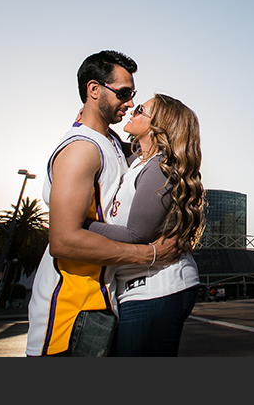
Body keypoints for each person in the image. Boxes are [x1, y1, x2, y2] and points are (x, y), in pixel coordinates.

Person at [26, 51, 179, 357]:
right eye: (122, 94)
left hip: (100, 300)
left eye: (131, 95)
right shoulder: (81, 149)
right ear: (94, 90)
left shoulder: (109, 143)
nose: (128, 103)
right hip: (69, 314)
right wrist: (147, 254)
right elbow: (64, 241)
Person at [86, 93, 205, 357]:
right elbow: (110, 141)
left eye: (141, 109)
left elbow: (136, 234)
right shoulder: (137, 162)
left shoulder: (159, 168)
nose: (132, 110)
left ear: (157, 126)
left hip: (156, 289)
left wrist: (80, 227)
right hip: (135, 288)